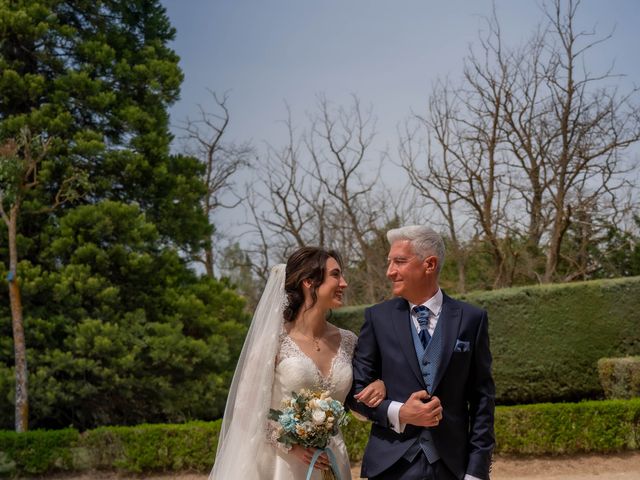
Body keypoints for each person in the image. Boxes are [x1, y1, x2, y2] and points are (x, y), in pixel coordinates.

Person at [210, 246, 385, 480]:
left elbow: (358, 404)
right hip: (280, 466)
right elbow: (244, 412)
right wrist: (290, 444)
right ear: (309, 282)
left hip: (331, 460)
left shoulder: (349, 341)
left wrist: (380, 385)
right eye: (335, 275)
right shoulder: (274, 341)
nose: (344, 283)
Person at [348, 226, 495, 480]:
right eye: (389, 262)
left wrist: (476, 472)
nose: (389, 271)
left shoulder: (472, 319)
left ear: (429, 264)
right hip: (390, 467)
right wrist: (400, 412)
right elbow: (355, 393)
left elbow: (482, 400)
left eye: (399, 261)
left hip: (452, 468)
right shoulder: (377, 318)